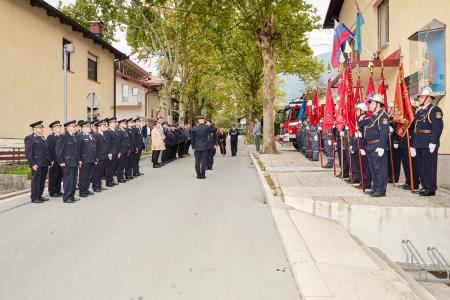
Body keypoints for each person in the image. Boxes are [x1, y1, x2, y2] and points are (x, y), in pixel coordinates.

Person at [411, 86, 444, 196]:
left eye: (421, 97)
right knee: (421, 166)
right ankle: (424, 186)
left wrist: (433, 142)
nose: (419, 99)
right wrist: (413, 145)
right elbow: (415, 129)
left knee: (429, 166)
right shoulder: (420, 112)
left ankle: (430, 188)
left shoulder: (434, 110)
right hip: (419, 142)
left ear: (428, 97)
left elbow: (438, 127)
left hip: (428, 142)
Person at [364, 94, 390, 197]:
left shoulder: (383, 116)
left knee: (380, 169)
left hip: (377, 145)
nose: (370, 105)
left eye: (372, 103)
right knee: (373, 169)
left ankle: (381, 190)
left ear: (378, 104)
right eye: (370, 103)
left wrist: (381, 146)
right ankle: (375, 187)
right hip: (370, 146)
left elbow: (384, 131)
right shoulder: (374, 116)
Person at [24, 121, 50, 203]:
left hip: (44, 163)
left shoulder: (42, 138)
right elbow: (28, 152)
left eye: (42, 127)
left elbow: (46, 151)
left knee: (42, 180)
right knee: (36, 181)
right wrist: (32, 164)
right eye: (39, 127)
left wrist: (49, 161)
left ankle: (39, 195)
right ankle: (34, 197)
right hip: (37, 164)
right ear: (34, 129)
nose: (42, 129)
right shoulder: (30, 138)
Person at [56, 120, 79, 203]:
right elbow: (58, 150)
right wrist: (61, 161)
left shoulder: (73, 136)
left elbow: (76, 151)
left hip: (74, 161)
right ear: (67, 127)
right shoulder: (63, 136)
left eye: (75, 126)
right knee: (68, 180)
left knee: (73, 180)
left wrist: (78, 160)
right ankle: (67, 197)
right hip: (67, 162)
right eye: (73, 126)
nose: (75, 128)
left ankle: (72, 196)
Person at [353, 103, 371, 189]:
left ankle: (366, 182)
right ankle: (362, 181)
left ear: (363, 111)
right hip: (358, 145)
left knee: (365, 165)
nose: (356, 111)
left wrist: (363, 147)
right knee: (359, 164)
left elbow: (366, 134)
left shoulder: (366, 120)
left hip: (363, 146)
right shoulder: (358, 120)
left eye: (358, 110)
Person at [76, 121, 96, 197]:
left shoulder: (91, 135)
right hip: (84, 159)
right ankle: (82, 191)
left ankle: (86, 189)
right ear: (83, 128)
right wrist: (79, 159)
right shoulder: (79, 136)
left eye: (89, 126)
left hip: (91, 158)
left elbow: (94, 148)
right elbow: (77, 149)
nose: (89, 128)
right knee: (83, 176)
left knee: (89, 176)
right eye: (87, 127)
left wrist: (95, 157)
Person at [47, 120, 63, 198]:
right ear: (53, 128)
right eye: (57, 127)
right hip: (54, 161)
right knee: (54, 177)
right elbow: (49, 150)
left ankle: (58, 190)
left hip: (61, 161)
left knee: (60, 176)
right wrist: (50, 160)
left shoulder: (61, 136)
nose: (59, 128)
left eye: (59, 126)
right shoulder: (50, 137)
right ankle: (52, 191)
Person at [92, 119, 108, 193]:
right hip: (98, 156)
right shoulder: (96, 135)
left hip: (103, 156)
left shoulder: (102, 134)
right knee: (97, 172)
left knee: (100, 172)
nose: (104, 127)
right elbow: (95, 147)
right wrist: (96, 157)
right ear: (98, 127)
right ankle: (95, 186)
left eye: (105, 125)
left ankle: (99, 185)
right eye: (103, 126)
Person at [104, 117, 120, 187]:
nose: (115, 123)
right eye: (114, 122)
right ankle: (108, 181)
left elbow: (117, 143)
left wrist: (118, 151)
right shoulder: (107, 132)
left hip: (116, 151)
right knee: (109, 167)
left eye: (115, 122)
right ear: (110, 123)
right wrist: (109, 153)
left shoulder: (115, 131)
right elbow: (107, 143)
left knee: (113, 167)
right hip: (111, 152)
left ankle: (111, 179)